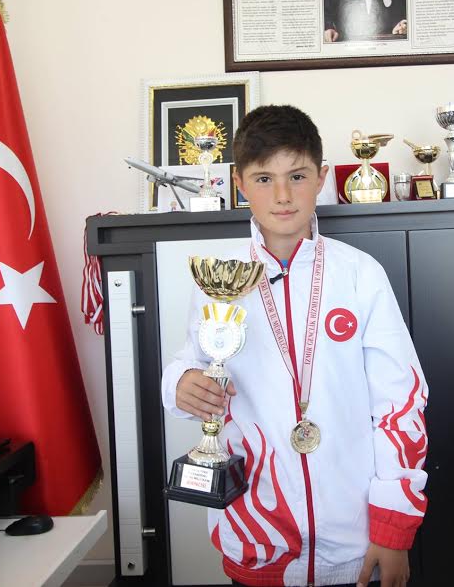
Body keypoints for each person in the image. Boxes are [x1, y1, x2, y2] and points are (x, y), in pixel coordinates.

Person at [162, 104, 428, 587]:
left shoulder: (360, 275)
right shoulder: (220, 279)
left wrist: (393, 527)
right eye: (264, 179)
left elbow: (399, 404)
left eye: (298, 176)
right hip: (256, 539)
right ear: (239, 184)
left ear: (322, 178)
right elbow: (194, 360)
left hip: (356, 543)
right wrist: (181, 384)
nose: (283, 196)